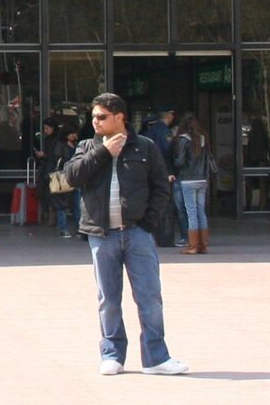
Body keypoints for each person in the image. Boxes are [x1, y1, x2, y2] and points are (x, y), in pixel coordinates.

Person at [62, 93, 188, 378]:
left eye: (101, 117)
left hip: (137, 234)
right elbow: (71, 177)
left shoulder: (144, 147)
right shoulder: (87, 146)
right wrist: (103, 152)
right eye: (93, 117)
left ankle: (156, 357)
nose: (95, 121)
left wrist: (148, 224)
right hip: (102, 234)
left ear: (120, 117)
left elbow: (160, 187)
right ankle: (112, 355)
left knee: (149, 297)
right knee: (108, 298)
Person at [170, 115, 213, 255]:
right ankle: (203, 244)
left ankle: (193, 245)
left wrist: (173, 162)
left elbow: (180, 161)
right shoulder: (202, 138)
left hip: (188, 179)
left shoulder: (184, 139)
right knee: (201, 212)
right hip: (202, 179)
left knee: (191, 213)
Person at [141, 108, 182, 247]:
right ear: (169, 116)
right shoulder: (163, 130)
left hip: (149, 171)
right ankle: (164, 238)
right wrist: (169, 171)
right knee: (165, 206)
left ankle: (154, 236)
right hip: (162, 172)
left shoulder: (151, 131)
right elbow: (167, 151)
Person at [50, 129, 79, 237]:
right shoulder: (60, 145)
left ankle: (79, 228)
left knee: (77, 204)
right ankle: (64, 228)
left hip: (75, 177)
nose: (74, 135)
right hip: (64, 176)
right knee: (62, 204)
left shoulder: (75, 144)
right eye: (72, 133)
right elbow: (58, 159)